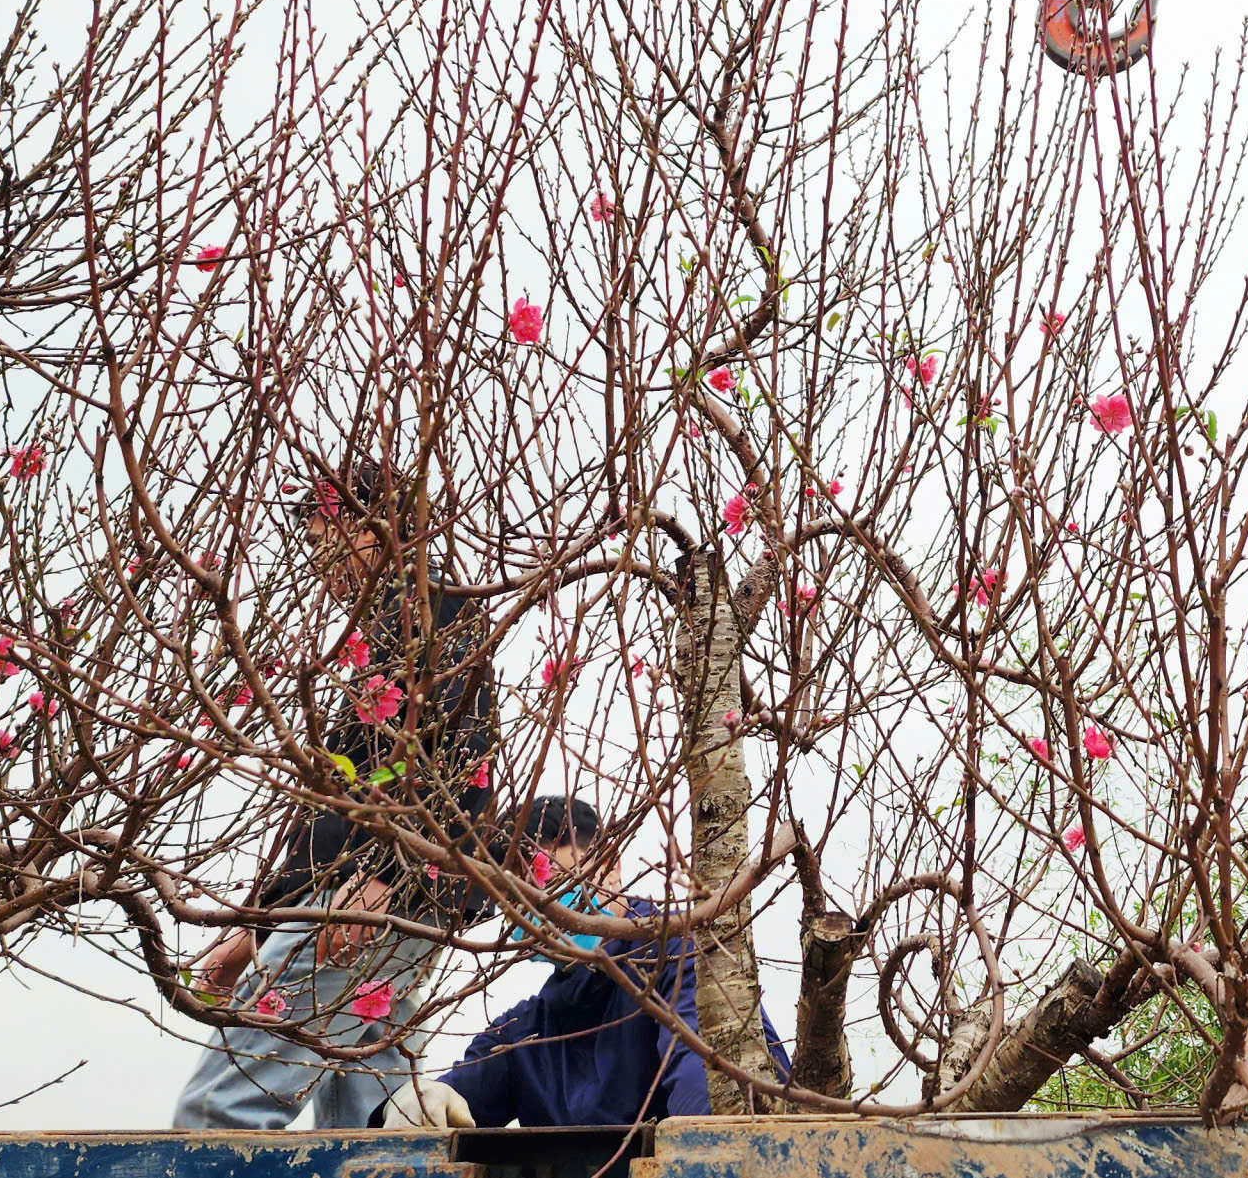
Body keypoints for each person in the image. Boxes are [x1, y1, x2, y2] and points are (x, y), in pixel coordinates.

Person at [172, 460, 501, 1129]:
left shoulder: (435, 613)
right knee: (376, 1125)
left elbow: (456, 761)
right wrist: (255, 926)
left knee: (216, 1118)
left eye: (325, 531)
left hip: (362, 907)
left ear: (376, 527)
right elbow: (334, 809)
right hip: (373, 902)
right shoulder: (384, 628)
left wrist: (381, 879)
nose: (316, 554)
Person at [374, 797, 792, 1129]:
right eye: (517, 898)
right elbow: (461, 1095)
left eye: (557, 886)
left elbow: (708, 1089)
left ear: (611, 868)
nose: (541, 911)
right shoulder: (530, 1031)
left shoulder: (682, 959)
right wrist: (421, 1098)